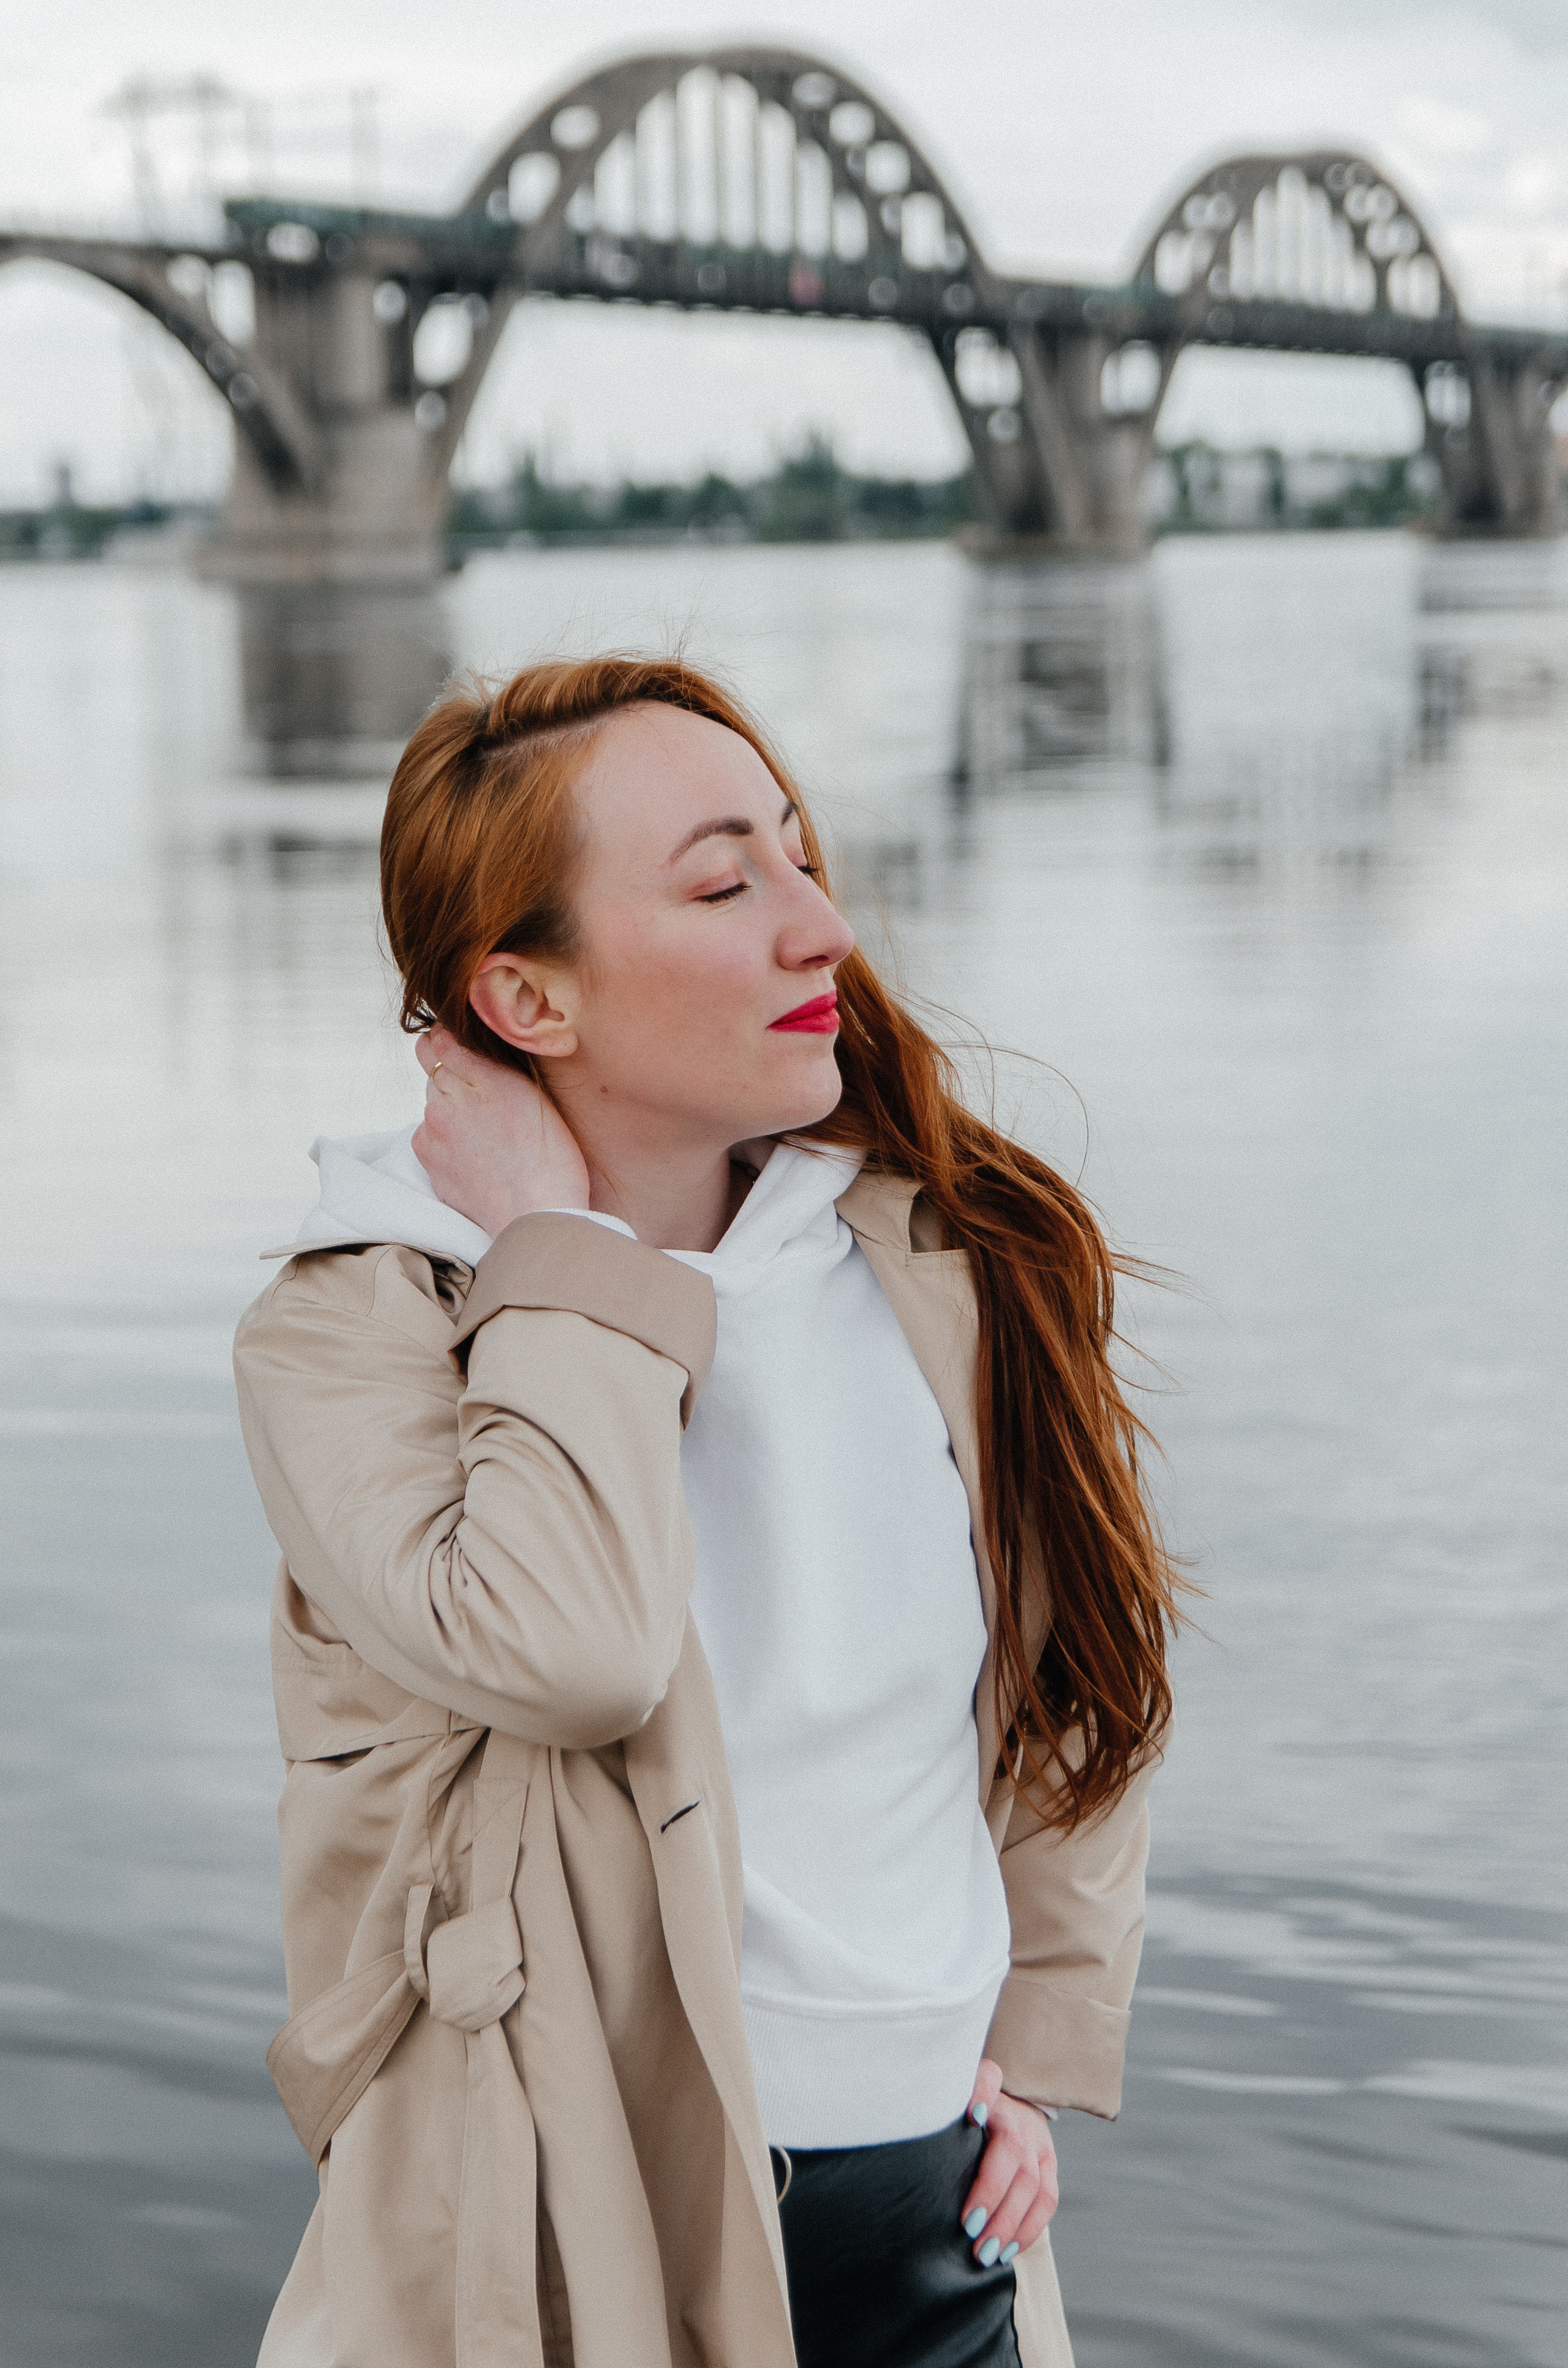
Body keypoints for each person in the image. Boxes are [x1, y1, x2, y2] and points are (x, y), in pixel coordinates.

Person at [233, 654, 1178, 2368]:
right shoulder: (364, 1326)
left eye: (800, 857)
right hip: (549, 2240)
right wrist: (567, 1262)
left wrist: (1029, 2040)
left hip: (942, 2229)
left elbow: (1075, 1680)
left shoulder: (949, 1265)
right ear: (528, 999)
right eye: (728, 884)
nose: (821, 927)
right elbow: (574, 1650)